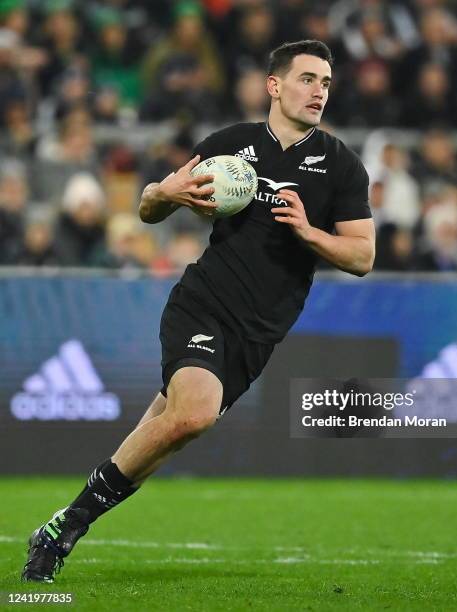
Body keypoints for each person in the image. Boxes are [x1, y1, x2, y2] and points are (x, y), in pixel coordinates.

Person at [22, 39, 375, 582]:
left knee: (165, 434)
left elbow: (362, 255)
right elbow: (148, 206)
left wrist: (309, 233)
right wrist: (167, 193)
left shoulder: (340, 166)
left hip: (259, 333)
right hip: (203, 304)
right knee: (193, 414)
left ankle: (63, 525)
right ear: (274, 86)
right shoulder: (231, 147)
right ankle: (65, 528)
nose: (319, 92)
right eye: (307, 79)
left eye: (326, 83)